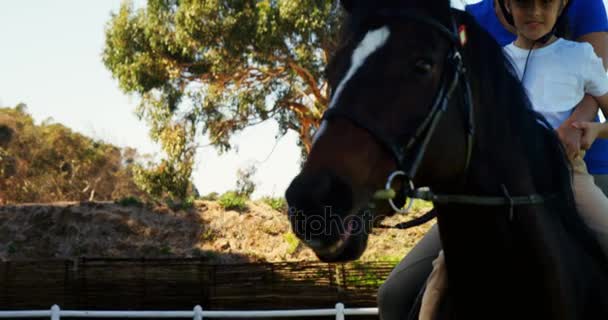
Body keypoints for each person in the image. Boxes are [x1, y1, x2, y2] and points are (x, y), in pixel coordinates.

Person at [377, 1, 608, 319]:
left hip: (566, 174)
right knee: (441, 271)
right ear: (508, 5)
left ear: (562, 5)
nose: (535, 12)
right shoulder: (494, 63)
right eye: (525, 3)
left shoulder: (580, 57)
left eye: (546, 3)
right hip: (497, 184)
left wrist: (594, 130)